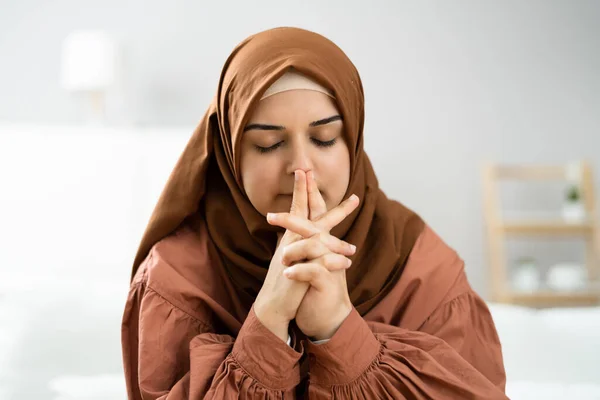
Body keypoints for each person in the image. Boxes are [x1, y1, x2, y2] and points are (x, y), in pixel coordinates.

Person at [121, 27, 507, 399]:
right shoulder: (173, 279)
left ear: (352, 141)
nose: (300, 166)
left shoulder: (423, 270)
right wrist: (269, 321)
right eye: (268, 144)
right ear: (229, 154)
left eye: (324, 138)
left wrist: (338, 330)